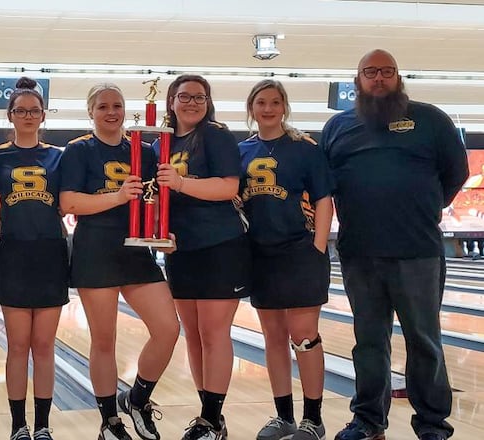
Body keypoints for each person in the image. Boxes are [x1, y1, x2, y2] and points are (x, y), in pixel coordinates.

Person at [320, 49, 469, 440]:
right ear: (358, 81)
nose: (379, 78)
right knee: (368, 342)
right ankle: (368, 421)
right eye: (371, 72)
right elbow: (324, 184)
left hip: (418, 251)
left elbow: (456, 173)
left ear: (399, 77)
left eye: (387, 71)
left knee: (425, 341)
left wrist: (421, 207)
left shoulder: (430, 119)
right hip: (360, 252)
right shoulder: (338, 128)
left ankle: (433, 425)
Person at [59, 83, 180, 440]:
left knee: (168, 329)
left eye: (117, 105)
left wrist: (163, 234)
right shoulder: (78, 150)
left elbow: (155, 202)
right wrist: (116, 197)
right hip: (95, 250)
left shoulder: (142, 149)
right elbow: (69, 203)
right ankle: (110, 421)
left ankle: (138, 398)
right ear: (91, 111)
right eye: (103, 106)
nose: (111, 112)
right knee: (104, 340)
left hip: (136, 252)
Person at [154, 74, 250, 440]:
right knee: (193, 336)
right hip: (182, 250)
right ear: (171, 101)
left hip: (220, 245)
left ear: (208, 102)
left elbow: (228, 186)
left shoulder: (216, 135)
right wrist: (161, 234)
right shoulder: (161, 144)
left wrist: (180, 183)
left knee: (213, 332)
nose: (192, 102)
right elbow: (157, 197)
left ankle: (210, 419)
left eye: (200, 96)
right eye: (185, 96)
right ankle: (211, 417)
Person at [238, 79, 334, 440]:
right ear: (251, 108)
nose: (268, 108)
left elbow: (324, 199)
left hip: (300, 251)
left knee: (304, 336)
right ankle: (284, 418)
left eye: (275, 102)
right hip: (260, 255)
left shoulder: (304, 148)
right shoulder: (241, 151)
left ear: (284, 107)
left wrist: (318, 248)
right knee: (273, 337)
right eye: (261, 102)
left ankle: (313, 419)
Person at [0, 77, 69, 440]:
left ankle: (43, 425)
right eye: (21, 110)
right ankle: (19, 425)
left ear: (43, 115)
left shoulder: (59, 157)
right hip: (14, 253)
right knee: (19, 345)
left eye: (35, 111)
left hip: (50, 252)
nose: (28, 116)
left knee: (45, 346)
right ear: (10, 115)